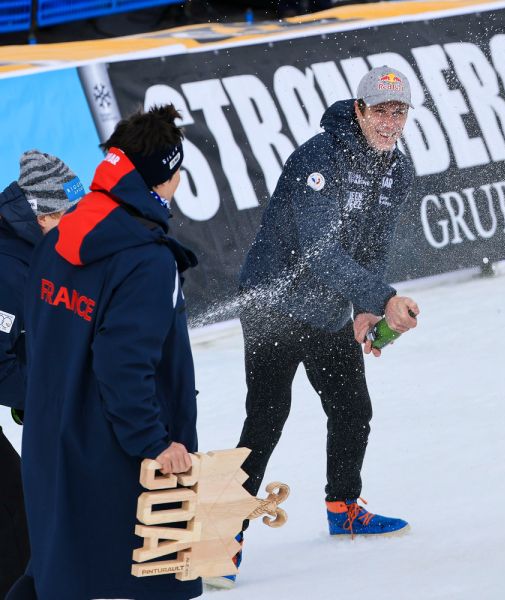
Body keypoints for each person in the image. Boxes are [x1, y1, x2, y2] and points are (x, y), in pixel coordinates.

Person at [220, 66, 420, 587]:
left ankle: (343, 506)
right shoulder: (320, 156)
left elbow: (374, 246)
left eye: (398, 111)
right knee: (266, 416)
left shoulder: (398, 170)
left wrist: (366, 311)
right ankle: (225, 535)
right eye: (379, 110)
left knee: (353, 409)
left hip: (330, 306)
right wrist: (382, 297)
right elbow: (316, 251)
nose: (389, 121)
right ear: (358, 109)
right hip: (275, 304)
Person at [11, 105, 199, 600]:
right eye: (178, 171)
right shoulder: (146, 261)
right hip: (121, 462)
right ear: (164, 177)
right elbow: (124, 367)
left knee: (57, 580)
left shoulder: (55, 241)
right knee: (153, 585)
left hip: (53, 452)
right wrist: (156, 444)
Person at [0, 151, 84, 598]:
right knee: (15, 509)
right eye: (70, 215)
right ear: (43, 214)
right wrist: (42, 397)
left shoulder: (32, 246)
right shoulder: (7, 267)